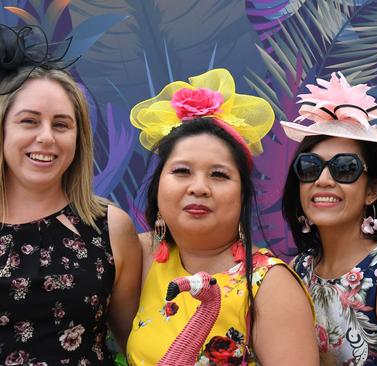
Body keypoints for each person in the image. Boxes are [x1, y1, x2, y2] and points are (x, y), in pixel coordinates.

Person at [0, 24, 141, 364]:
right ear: (0, 130)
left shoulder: (110, 228)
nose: (46, 137)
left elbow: (139, 348)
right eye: (29, 121)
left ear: (79, 139)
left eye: (61, 124)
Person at [125, 68, 318, 365]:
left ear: (242, 195)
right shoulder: (140, 256)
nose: (199, 187)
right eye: (181, 171)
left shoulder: (270, 285)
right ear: (157, 186)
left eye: (219, 174)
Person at [280, 72, 377, 365]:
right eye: (310, 167)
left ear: (373, 190)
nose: (323, 180)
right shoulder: (297, 270)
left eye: (344, 168)